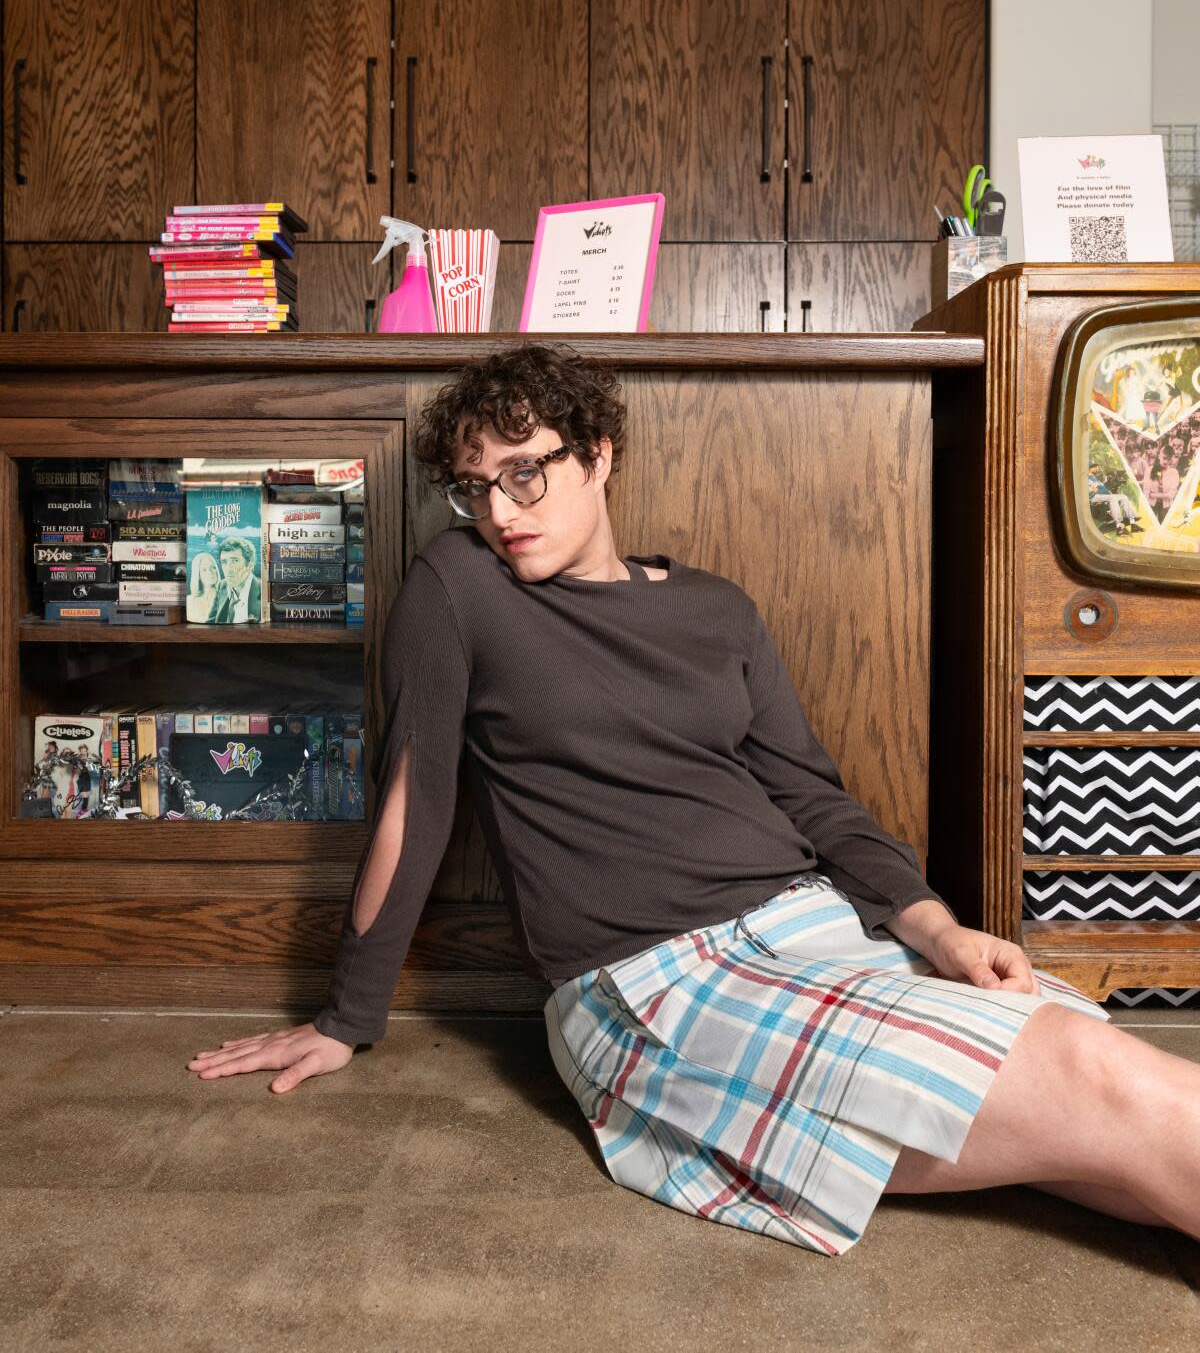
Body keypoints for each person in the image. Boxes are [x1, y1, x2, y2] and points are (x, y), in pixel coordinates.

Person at [188, 344, 1200, 1255]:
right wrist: (346, 1015)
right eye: (474, 488)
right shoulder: (459, 586)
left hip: (820, 931)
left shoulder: (717, 609)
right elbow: (416, 804)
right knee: (1092, 1076)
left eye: (526, 471)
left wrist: (936, 931)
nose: (500, 511)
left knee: (1114, 1115)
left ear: (600, 452)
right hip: (658, 984)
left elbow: (815, 801)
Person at [207, 536, 261, 624]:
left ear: (249, 566)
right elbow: (210, 622)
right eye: (224, 562)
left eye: (234, 561)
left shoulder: (263, 590)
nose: (228, 569)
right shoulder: (222, 585)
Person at [185, 550, 220, 623]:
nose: (210, 572)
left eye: (213, 567)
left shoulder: (226, 597)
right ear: (198, 575)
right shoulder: (189, 601)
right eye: (204, 570)